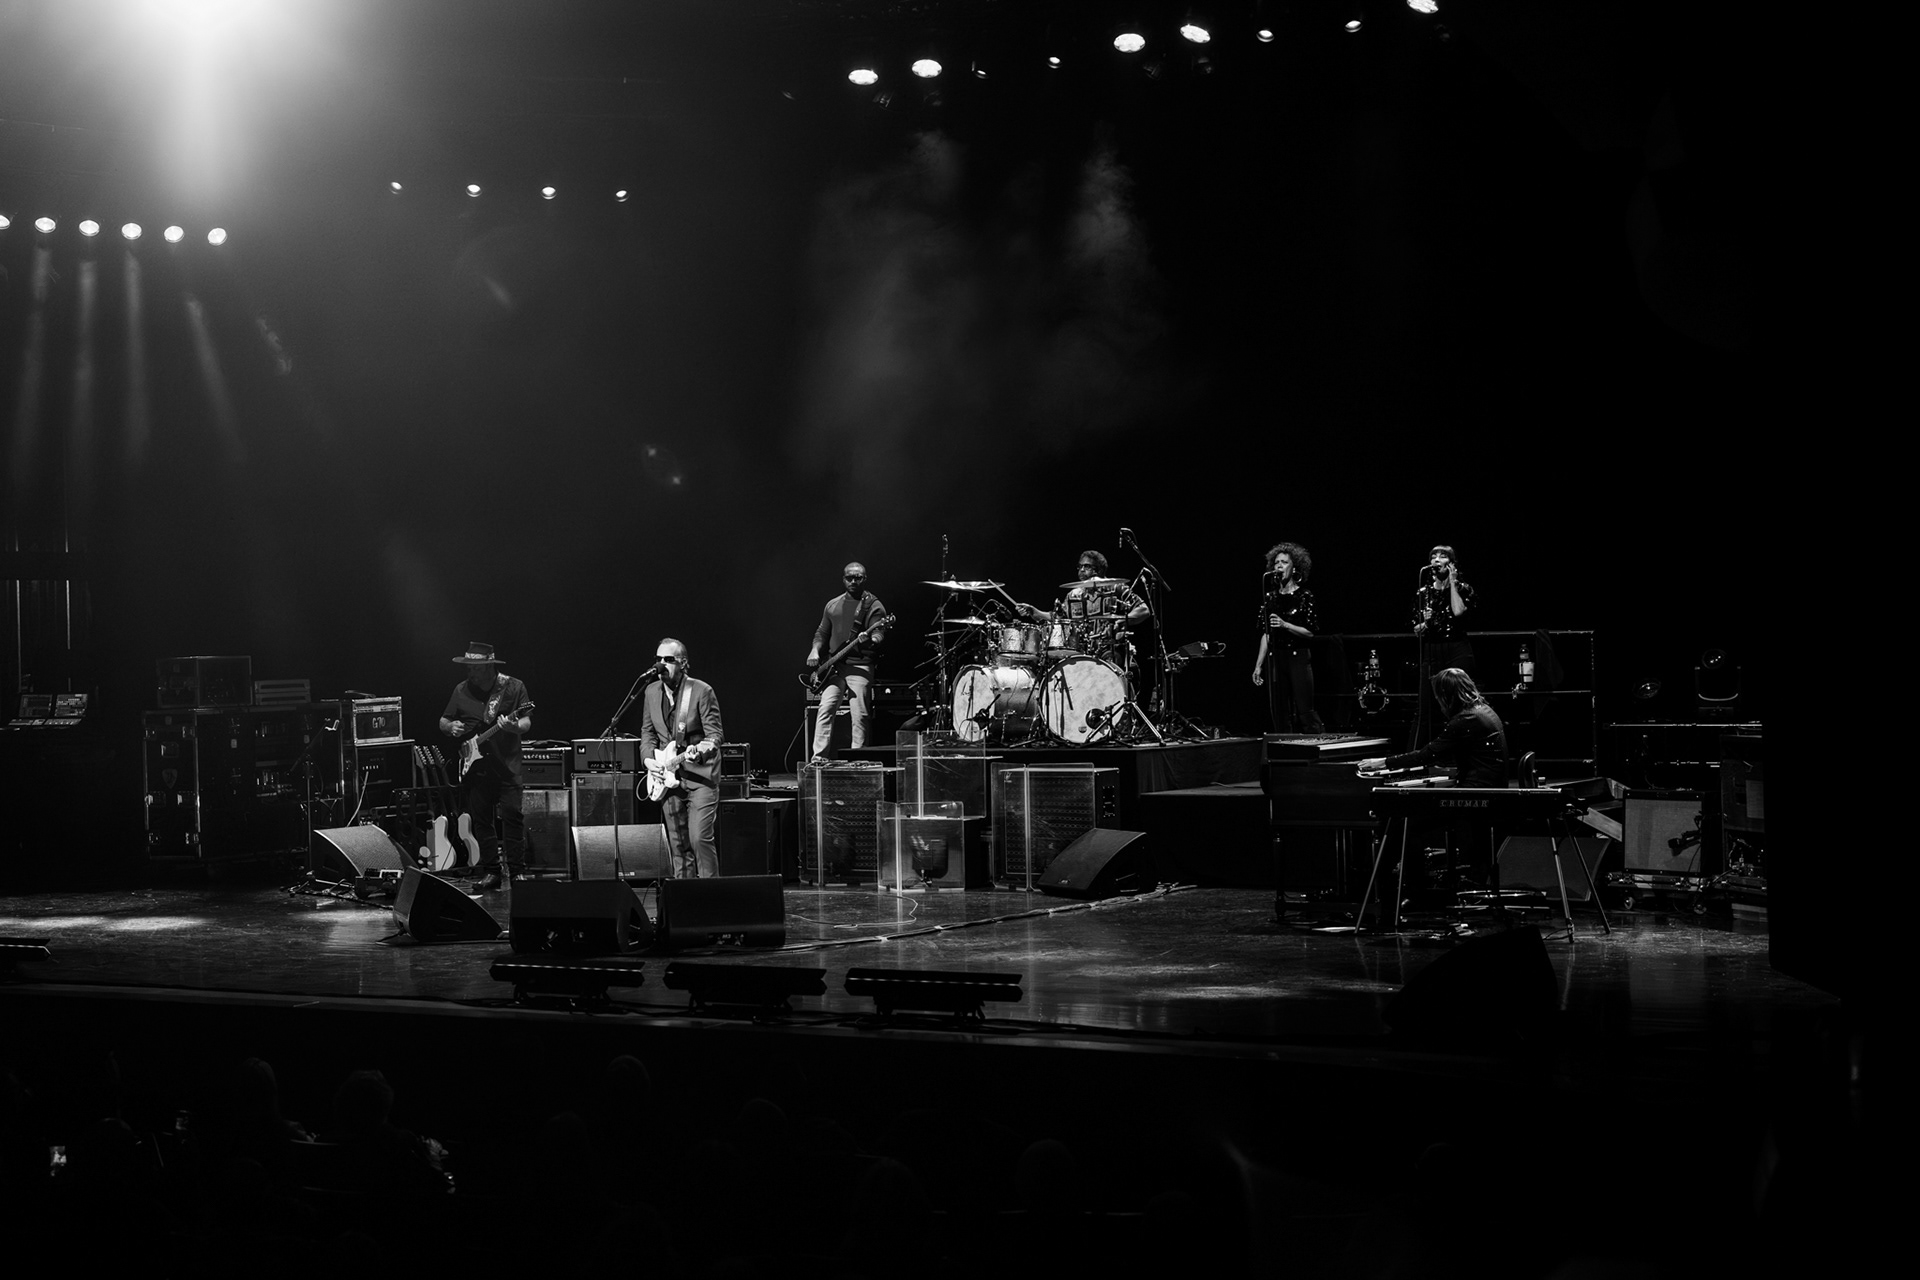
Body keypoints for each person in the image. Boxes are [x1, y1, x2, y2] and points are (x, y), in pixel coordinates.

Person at [438, 641, 532, 892]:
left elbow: (525, 722)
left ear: (490, 666)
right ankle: (491, 871)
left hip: (507, 765)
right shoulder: (461, 689)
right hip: (476, 768)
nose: (471, 673)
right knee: (481, 820)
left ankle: (517, 872)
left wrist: (513, 726)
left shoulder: (513, 687)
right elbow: (443, 720)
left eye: (476, 668)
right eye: (468, 668)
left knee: (512, 816)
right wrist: (450, 727)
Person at [641, 637, 723, 879]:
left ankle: (711, 895)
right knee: (678, 845)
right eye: (658, 659)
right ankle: (684, 896)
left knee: (699, 839)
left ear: (683, 663)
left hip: (700, 777)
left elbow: (715, 735)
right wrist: (648, 760)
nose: (661, 664)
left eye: (668, 659)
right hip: (667, 777)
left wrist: (701, 751)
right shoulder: (651, 691)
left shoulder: (701, 691)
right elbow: (647, 733)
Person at [1357, 668, 1508, 788]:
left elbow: (1427, 755)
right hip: (1494, 784)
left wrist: (1383, 762)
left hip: (1478, 789)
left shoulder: (1466, 719)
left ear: (1446, 696)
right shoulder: (1485, 710)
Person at [806, 562, 889, 762]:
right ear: (843, 579)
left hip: (860, 665)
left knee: (859, 714)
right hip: (835, 666)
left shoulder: (873, 605)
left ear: (864, 579)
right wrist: (814, 651)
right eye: (849, 577)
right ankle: (818, 759)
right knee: (825, 709)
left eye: (858, 578)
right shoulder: (832, 605)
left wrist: (870, 639)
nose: (853, 581)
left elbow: (879, 632)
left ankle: (858, 760)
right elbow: (822, 632)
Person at [1015, 550, 1150, 666]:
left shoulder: (1116, 588)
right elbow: (1057, 618)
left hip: (1111, 652)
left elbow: (1143, 610)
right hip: (1081, 654)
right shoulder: (1073, 595)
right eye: (1079, 567)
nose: (1081, 570)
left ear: (1098, 569)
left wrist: (1123, 620)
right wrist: (1034, 611)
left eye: (1086, 566)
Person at [1250, 541, 1325, 733]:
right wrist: (1258, 665)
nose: (1279, 566)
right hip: (1276, 659)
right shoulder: (1270, 597)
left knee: (1304, 709)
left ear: (1295, 567)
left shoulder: (1304, 596)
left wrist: (1285, 625)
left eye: (1284, 562)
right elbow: (1266, 634)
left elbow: (1310, 632)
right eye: (1276, 563)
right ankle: (1284, 746)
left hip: (1298, 656)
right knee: (1280, 711)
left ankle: (1315, 742)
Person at [1411, 545, 1475, 744]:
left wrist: (1453, 583)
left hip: (1457, 649)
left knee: (1460, 704)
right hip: (1432, 649)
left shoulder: (1463, 588)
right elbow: (1416, 628)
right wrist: (1425, 623)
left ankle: (1464, 750)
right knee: (1425, 707)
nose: (1436, 560)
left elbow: (1458, 611)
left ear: (1451, 563)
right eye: (1433, 557)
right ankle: (1416, 753)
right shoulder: (1423, 593)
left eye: (1442, 556)